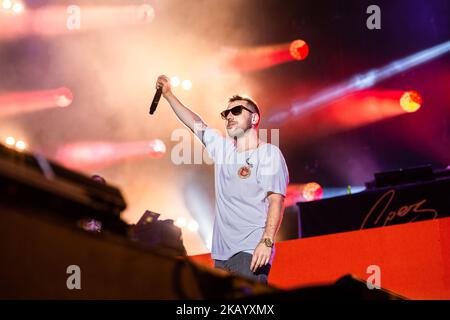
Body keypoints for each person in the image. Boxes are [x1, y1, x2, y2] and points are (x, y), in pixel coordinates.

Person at [156, 75, 289, 284]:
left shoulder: (269, 154)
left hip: (250, 251)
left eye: (237, 111)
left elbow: (276, 201)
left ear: (254, 119)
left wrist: (267, 241)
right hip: (220, 255)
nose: (229, 116)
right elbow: (196, 124)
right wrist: (169, 95)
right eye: (226, 113)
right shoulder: (223, 148)